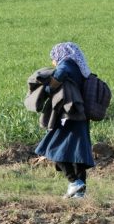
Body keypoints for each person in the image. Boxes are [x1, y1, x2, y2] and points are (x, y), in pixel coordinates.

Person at [34, 42, 95, 198]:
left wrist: (47, 88)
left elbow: (58, 76)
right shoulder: (81, 68)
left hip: (68, 116)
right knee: (78, 154)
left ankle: (73, 182)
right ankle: (80, 192)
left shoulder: (66, 64)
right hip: (80, 115)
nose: (53, 62)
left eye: (53, 58)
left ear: (60, 54)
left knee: (51, 148)